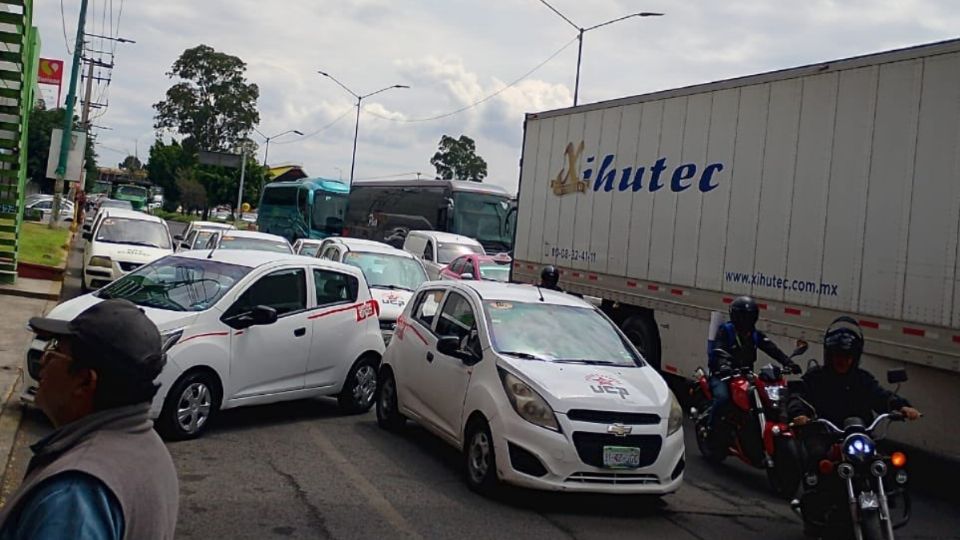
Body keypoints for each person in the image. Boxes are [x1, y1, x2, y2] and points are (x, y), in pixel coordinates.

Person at [0, 299, 179, 540]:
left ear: (85, 381)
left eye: (54, 350)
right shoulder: (150, 449)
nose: (43, 360)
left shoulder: (74, 493)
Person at [788, 316, 921, 428]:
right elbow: (798, 395)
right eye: (838, 355)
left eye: (847, 356)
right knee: (815, 452)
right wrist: (799, 414)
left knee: (880, 457)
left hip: (858, 434)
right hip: (823, 434)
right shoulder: (815, 377)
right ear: (830, 356)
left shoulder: (862, 379)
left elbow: (881, 396)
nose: (843, 361)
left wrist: (902, 407)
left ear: (855, 357)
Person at [706, 296, 798, 435]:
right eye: (743, 316)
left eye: (749, 316)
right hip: (723, 376)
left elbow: (772, 349)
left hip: (746, 375)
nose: (746, 319)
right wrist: (723, 365)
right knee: (722, 398)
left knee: (765, 397)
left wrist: (789, 363)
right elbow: (718, 349)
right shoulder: (726, 331)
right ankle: (711, 428)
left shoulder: (755, 334)